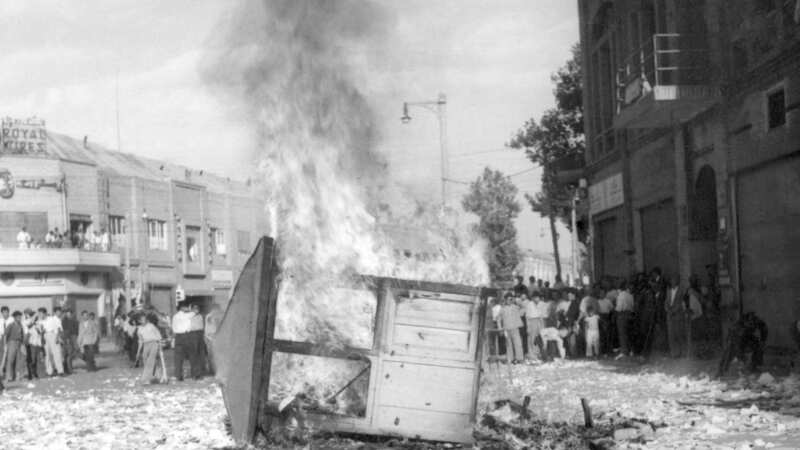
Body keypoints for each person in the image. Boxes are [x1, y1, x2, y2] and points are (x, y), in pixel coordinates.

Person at [717, 312, 768, 377]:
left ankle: (754, 366)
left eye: (752, 324)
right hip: (734, 340)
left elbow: (764, 328)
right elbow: (737, 346)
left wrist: (763, 340)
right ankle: (721, 371)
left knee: (758, 345)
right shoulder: (738, 328)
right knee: (729, 352)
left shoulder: (757, 321)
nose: (751, 325)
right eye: (749, 324)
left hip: (747, 337)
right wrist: (742, 358)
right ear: (745, 323)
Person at [172, 302, 201, 380]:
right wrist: (191, 309)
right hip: (187, 336)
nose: (187, 308)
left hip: (178, 337)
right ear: (182, 307)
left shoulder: (175, 316)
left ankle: (178, 375)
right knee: (193, 355)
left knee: (178, 357)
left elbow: (173, 328)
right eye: (186, 307)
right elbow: (196, 311)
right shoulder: (187, 315)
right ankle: (195, 374)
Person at [665, 275, 688, 358]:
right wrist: (668, 310)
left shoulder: (681, 290)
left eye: (674, 280)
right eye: (671, 280)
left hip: (678, 314)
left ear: (677, 281)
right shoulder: (668, 290)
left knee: (679, 334)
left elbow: (680, 302)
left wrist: (673, 311)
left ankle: (682, 352)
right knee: (671, 335)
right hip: (670, 315)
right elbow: (666, 301)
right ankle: (674, 353)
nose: (673, 281)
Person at [499, 293, 524, 364]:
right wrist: (500, 328)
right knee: (508, 344)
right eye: (508, 299)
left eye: (511, 299)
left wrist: (518, 301)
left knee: (518, 343)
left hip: (515, 328)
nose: (510, 300)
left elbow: (523, 309)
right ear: (505, 299)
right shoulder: (502, 308)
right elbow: (498, 319)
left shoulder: (515, 307)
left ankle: (520, 358)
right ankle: (511, 358)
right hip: (506, 329)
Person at [137, 314, 163, 384]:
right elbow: (140, 340)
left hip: (154, 343)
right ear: (139, 321)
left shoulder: (151, 325)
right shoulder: (139, 329)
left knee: (151, 360)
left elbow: (158, 334)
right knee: (145, 360)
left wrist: (160, 343)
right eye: (142, 319)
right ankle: (156, 376)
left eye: (145, 319)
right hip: (146, 345)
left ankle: (146, 379)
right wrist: (138, 351)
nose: (144, 321)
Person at [41, 307, 65, 376]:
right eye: (39, 314)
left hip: (53, 335)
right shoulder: (41, 321)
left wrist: (57, 337)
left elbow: (59, 328)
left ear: (45, 313)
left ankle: (60, 371)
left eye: (41, 314)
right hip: (45, 336)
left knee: (57, 354)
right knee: (47, 355)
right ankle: (49, 372)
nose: (40, 315)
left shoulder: (53, 319)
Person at [615, 280, 635, 359]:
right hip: (630, 315)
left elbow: (619, 308)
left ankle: (624, 352)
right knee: (629, 333)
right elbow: (633, 306)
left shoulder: (621, 295)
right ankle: (631, 351)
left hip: (622, 315)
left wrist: (615, 312)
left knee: (622, 334)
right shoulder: (631, 295)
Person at [523, 294, 546, 360]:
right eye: (535, 298)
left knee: (539, 338)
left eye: (538, 298)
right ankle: (532, 355)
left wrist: (542, 325)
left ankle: (538, 354)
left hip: (539, 321)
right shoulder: (529, 304)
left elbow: (542, 315)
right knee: (532, 338)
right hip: (532, 321)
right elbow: (527, 316)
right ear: (533, 298)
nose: (537, 299)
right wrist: (528, 326)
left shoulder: (541, 304)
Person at [4, 311, 24, 382]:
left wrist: (22, 344)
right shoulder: (11, 325)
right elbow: (6, 335)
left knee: (18, 360)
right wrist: (5, 344)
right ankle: (8, 376)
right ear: (15, 317)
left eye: (20, 317)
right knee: (10, 360)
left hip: (19, 343)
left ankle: (17, 376)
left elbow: (22, 335)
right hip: (12, 342)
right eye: (18, 317)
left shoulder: (20, 325)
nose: (19, 318)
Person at [25, 309, 44, 380]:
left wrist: (38, 328)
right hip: (31, 343)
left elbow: (40, 332)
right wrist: (33, 322)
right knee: (31, 359)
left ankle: (35, 373)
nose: (36, 317)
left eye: (36, 316)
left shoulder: (38, 323)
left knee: (36, 359)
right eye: (34, 316)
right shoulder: (27, 322)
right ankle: (30, 374)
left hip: (37, 343)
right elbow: (28, 327)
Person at [204, 304, 222, 375]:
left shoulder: (212, 316)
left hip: (213, 337)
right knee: (212, 355)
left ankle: (214, 370)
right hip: (211, 337)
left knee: (213, 355)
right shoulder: (210, 316)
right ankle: (212, 370)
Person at [61, 309, 79, 374]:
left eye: (70, 313)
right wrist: (67, 339)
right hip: (66, 339)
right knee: (68, 355)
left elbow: (76, 330)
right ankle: (69, 369)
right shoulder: (64, 321)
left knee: (70, 354)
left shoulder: (74, 321)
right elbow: (65, 330)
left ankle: (67, 369)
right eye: (67, 313)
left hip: (72, 338)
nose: (68, 315)